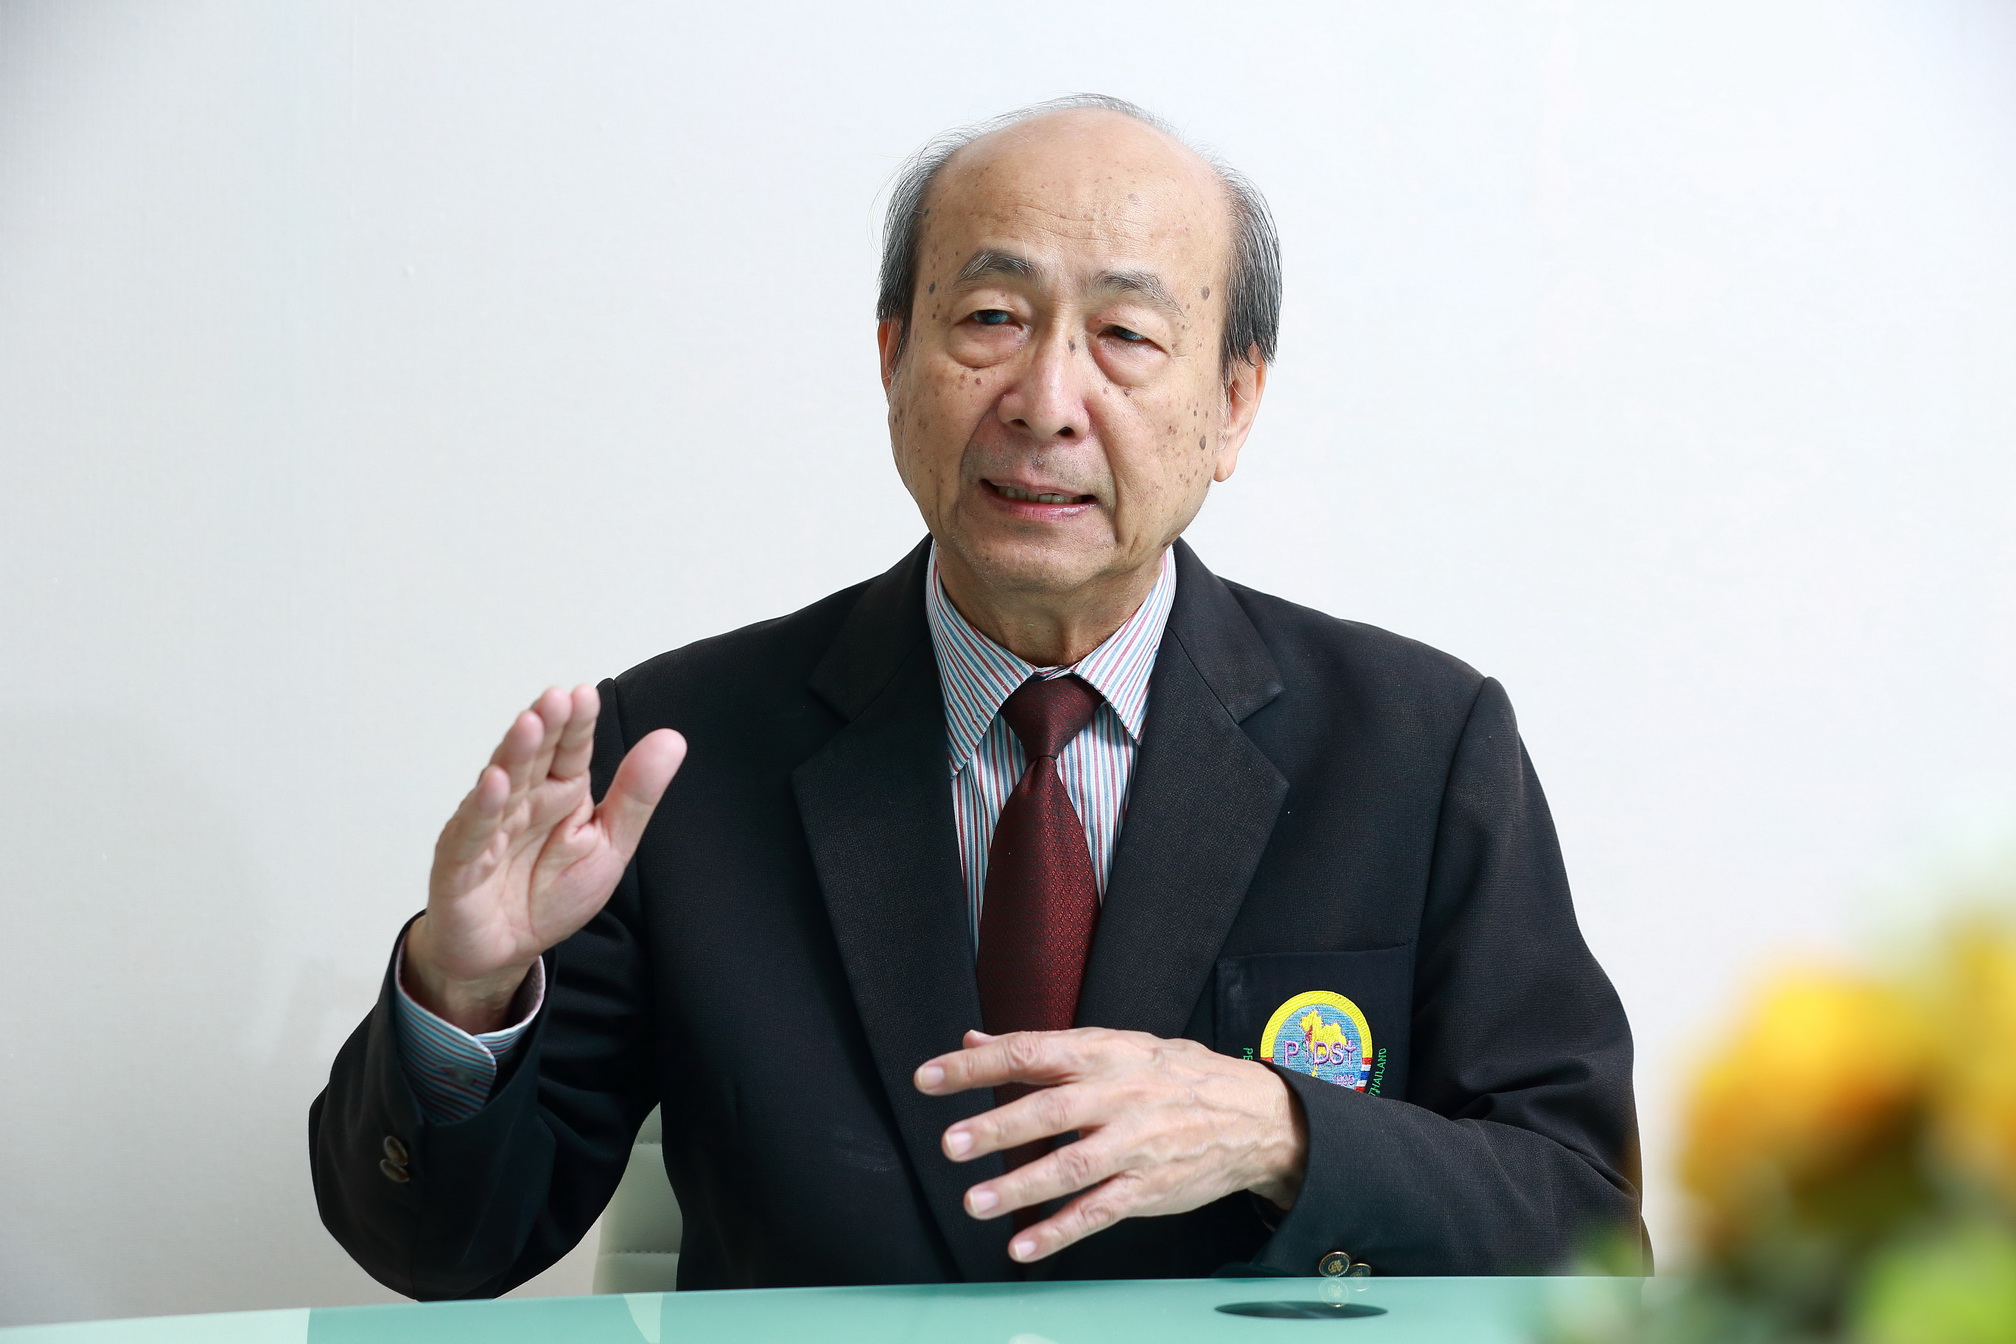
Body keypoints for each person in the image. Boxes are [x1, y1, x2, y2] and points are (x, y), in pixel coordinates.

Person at [310, 94, 1642, 1295]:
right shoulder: (683, 752)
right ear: (894, 356)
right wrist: (465, 992)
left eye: (1125, 335)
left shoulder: (1418, 747)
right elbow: (442, 1250)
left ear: (1234, 403)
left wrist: (1280, 1131)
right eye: (992, 319)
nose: (1046, 401)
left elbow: (1586, 1227)